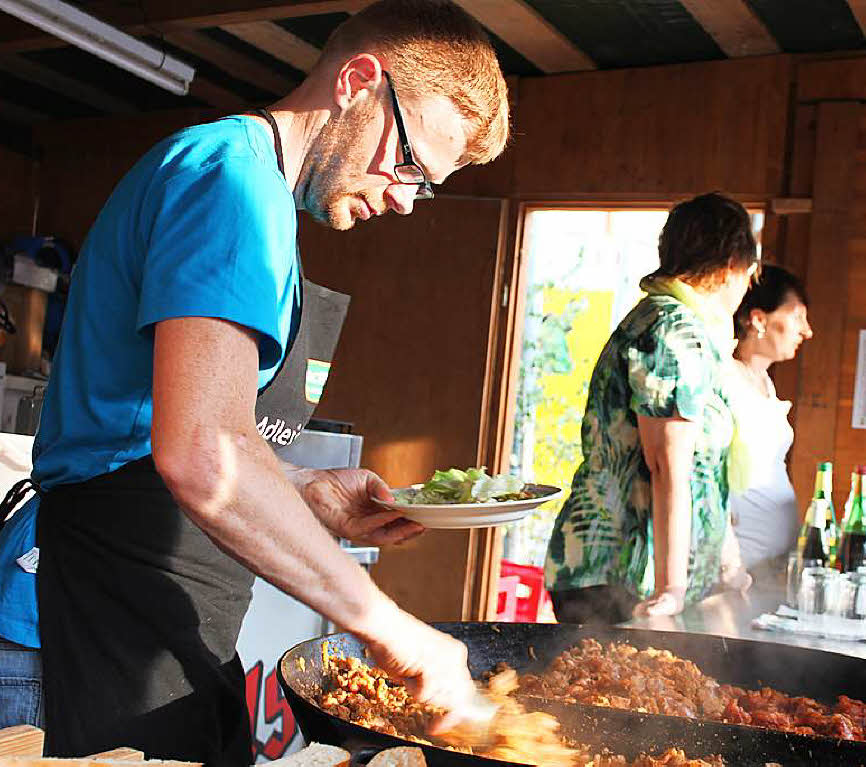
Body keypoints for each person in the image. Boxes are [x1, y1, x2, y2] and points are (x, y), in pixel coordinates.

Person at [0, 0, 509, 761]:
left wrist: (303, 490)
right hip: (75, 625)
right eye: (408, 163)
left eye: (424, 184)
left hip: (146, 608)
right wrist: (393, 630)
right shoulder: (230, 185)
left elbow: (172, 425)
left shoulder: (251, 190)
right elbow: (201, 452)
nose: (406, 197)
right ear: (359, 82)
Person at [544, 193, 758, 624]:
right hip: (617, 576)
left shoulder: (690, 329)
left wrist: (726, 563)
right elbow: (667, 463)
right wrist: (672, 588)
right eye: (750, 276)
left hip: (639, 578)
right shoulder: (672, 328)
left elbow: (707, 474)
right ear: (731, 267)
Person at [726, 265, 813, 576]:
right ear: (759, 319)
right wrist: (730, 560)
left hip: (772, 564)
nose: (806, 331)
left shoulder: (763, 382)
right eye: (797, 317)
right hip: (739, 567)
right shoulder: (726, 379)